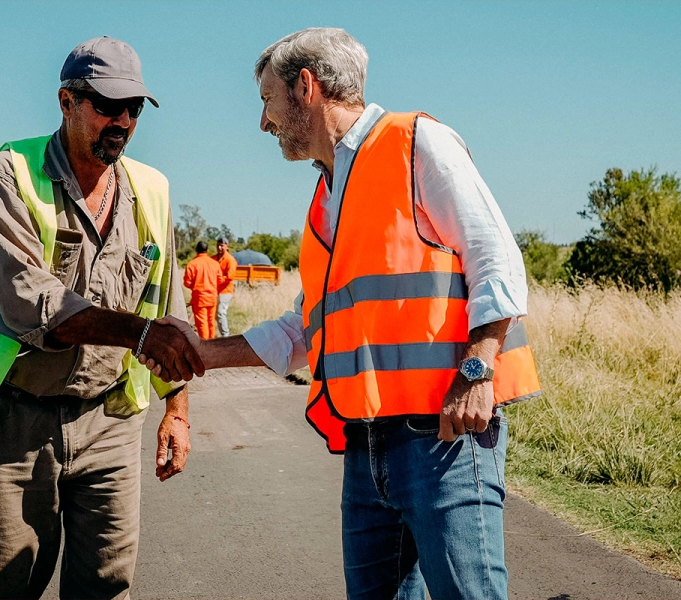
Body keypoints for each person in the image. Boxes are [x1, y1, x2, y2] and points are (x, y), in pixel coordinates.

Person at [142, 28, 541, 600]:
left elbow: (496, 255)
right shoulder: (327, 195)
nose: (264, 122)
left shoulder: (415, 142)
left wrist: (478, 371)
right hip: (366, 445)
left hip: (445, 437)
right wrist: (202, 353)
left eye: (267, 100)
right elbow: (304, 330)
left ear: (306, 87)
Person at [0, 36, 204, 600]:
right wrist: (137, 333)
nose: (124, 121)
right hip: (13, 422)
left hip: (108, 421)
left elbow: (167, 308)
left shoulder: (153, 191)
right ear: (66, 102)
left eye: (134, 108)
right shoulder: (8, 174)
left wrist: (177, 411)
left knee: (106, 586)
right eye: (108, 106)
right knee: (2, 586)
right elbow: (31, 304)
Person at [183, 240, 221, 339]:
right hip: (212, 298)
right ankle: (212, 343)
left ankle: (205, 345)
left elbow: (187, 282)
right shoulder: (215, 263)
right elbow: (220, 280)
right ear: (207, 250)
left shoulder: (192, 264)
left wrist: (196, 287)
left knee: (202, 324)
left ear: (196, 250)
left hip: (199, 298)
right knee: (211, 321)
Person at [212, 236, 238, 337]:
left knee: (220, 312)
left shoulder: (230, 260)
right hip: (215, 291)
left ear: (227, 246)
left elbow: (230, 276)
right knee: (214, 314)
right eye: (218, 245)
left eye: (221, 246)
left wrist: (217, 279)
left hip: (226, 291)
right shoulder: (213, 259)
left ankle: (226, 337)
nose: (219, 248)